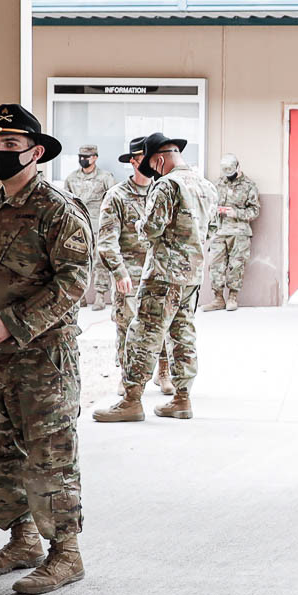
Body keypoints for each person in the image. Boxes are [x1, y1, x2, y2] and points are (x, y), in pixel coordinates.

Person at [0, 103, 89, 595]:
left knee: (49, 454)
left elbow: (75, 282)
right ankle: (23, 540)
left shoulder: (58, 209)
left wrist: (12, 323)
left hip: (42, 360)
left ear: (36, 152)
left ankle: (66, 553)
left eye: (10, 145)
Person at [92, 131, 216, 422]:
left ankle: (131, 400)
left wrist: (139, 225)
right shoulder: (207, 186)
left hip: (163, 275)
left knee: (144, 334)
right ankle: (182, 399)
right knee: (183, 333)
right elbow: (212, 229)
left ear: (159, 160)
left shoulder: (167, 185)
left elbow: (151, 229)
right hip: (192, 276)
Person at [97, 137, 156, 377]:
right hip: (129, 272)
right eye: (144, 158)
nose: (150, 163)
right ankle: (127, 375)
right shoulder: (117, 195)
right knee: (127, 325)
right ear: (133, 161)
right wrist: (119, 272)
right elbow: (106, 240)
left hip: (158, 270)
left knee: (161, 323)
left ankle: (163, 371)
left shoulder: (162, 192)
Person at [202, 153, 260, 312]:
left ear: (238, 167)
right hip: (219, 231)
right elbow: (209, 205)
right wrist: (216, 210)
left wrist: (236, 213)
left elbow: (255, 211)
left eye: (231, 171)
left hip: (239, 233)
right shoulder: (218, 184)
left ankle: (233, 298)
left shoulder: (249, 186)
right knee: (215, 265)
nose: (228, 175)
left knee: (236, 266)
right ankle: (218, 299)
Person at [63, 144, 115, 311]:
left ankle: (100, 296)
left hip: (98, 224)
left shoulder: (105, 177)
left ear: (95, 158)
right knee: (78, 260)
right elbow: (66, 201)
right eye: (80, 157)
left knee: (100, 261)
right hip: (78, 225)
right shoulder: (72, 178)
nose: (82, 160)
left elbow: (112, 200)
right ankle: (81, 296)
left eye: (86, 157)